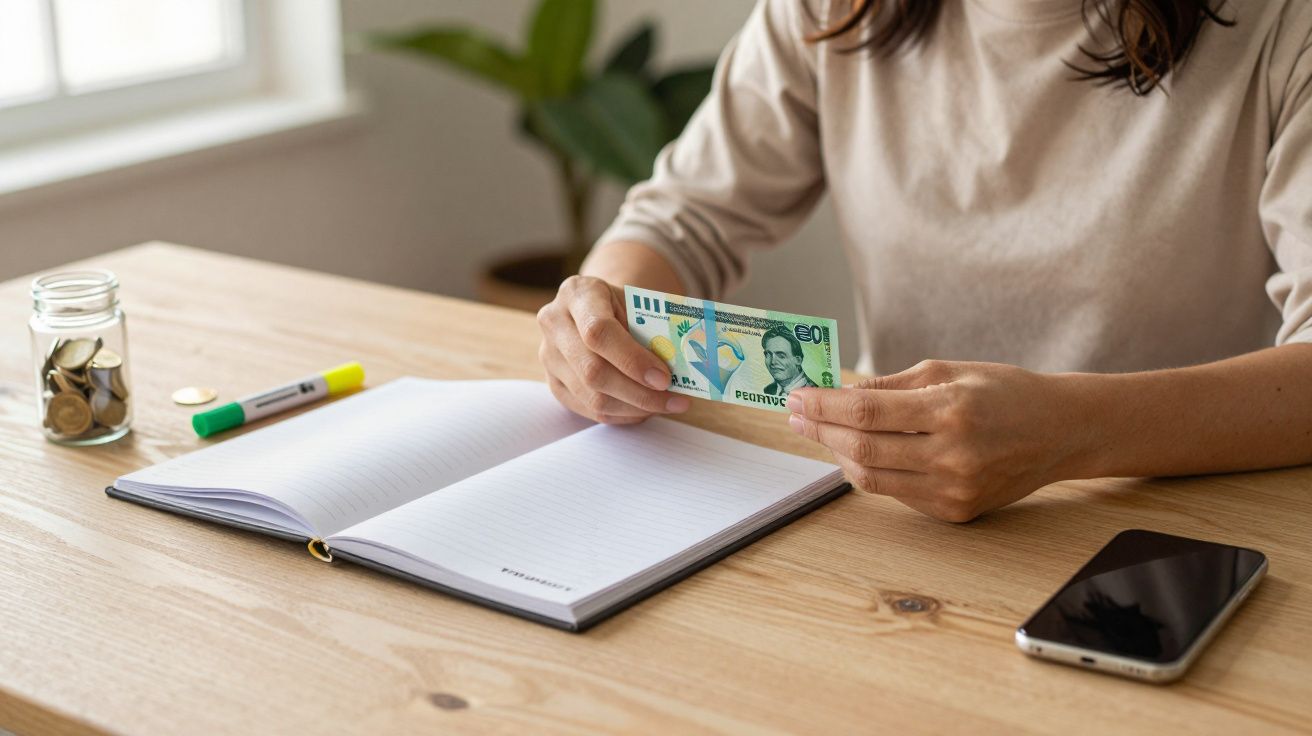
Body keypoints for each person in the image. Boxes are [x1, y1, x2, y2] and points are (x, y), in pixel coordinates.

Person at [535, 0, 1312, 522]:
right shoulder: (828, 9)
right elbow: (685, 216)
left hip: (1182, 524)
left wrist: (1078, 433)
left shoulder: (1286, 29)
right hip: (888, 519)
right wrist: (603, 318)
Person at [761, 324, 819, 396]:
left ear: (798, 360)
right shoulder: (768, 390)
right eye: (768, 355)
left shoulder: (815, 392)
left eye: (781, 356)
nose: (773, 362)